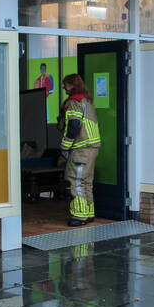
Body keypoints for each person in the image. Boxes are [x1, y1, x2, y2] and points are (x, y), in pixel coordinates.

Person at [59, 74, 101, 226]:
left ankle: (79, 216)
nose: (64, 87)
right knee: (86, 182)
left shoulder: (74, 102)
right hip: (91, 148)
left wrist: (65, 146)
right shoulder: (86, 101)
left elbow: (74, 126)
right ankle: (88, 213)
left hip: (81, 149)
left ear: (72, 85)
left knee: (75, 181)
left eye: (65, 84)